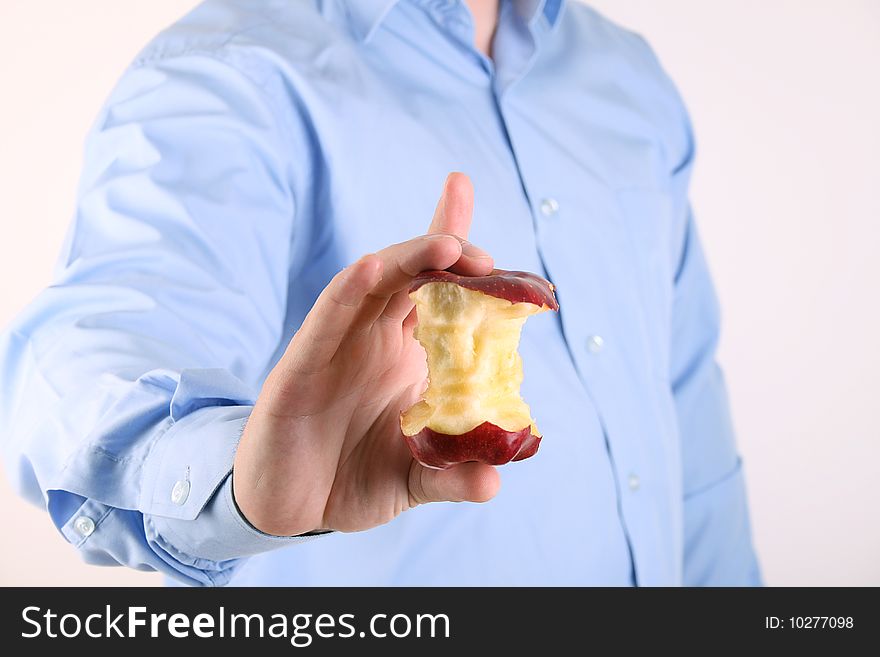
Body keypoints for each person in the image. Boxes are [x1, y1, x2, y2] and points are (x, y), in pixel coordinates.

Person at [0, 0, 761, 586]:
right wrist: (243, 480)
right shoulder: (231, 73)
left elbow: (687, 424)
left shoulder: (629, 81)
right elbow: (91, 360)